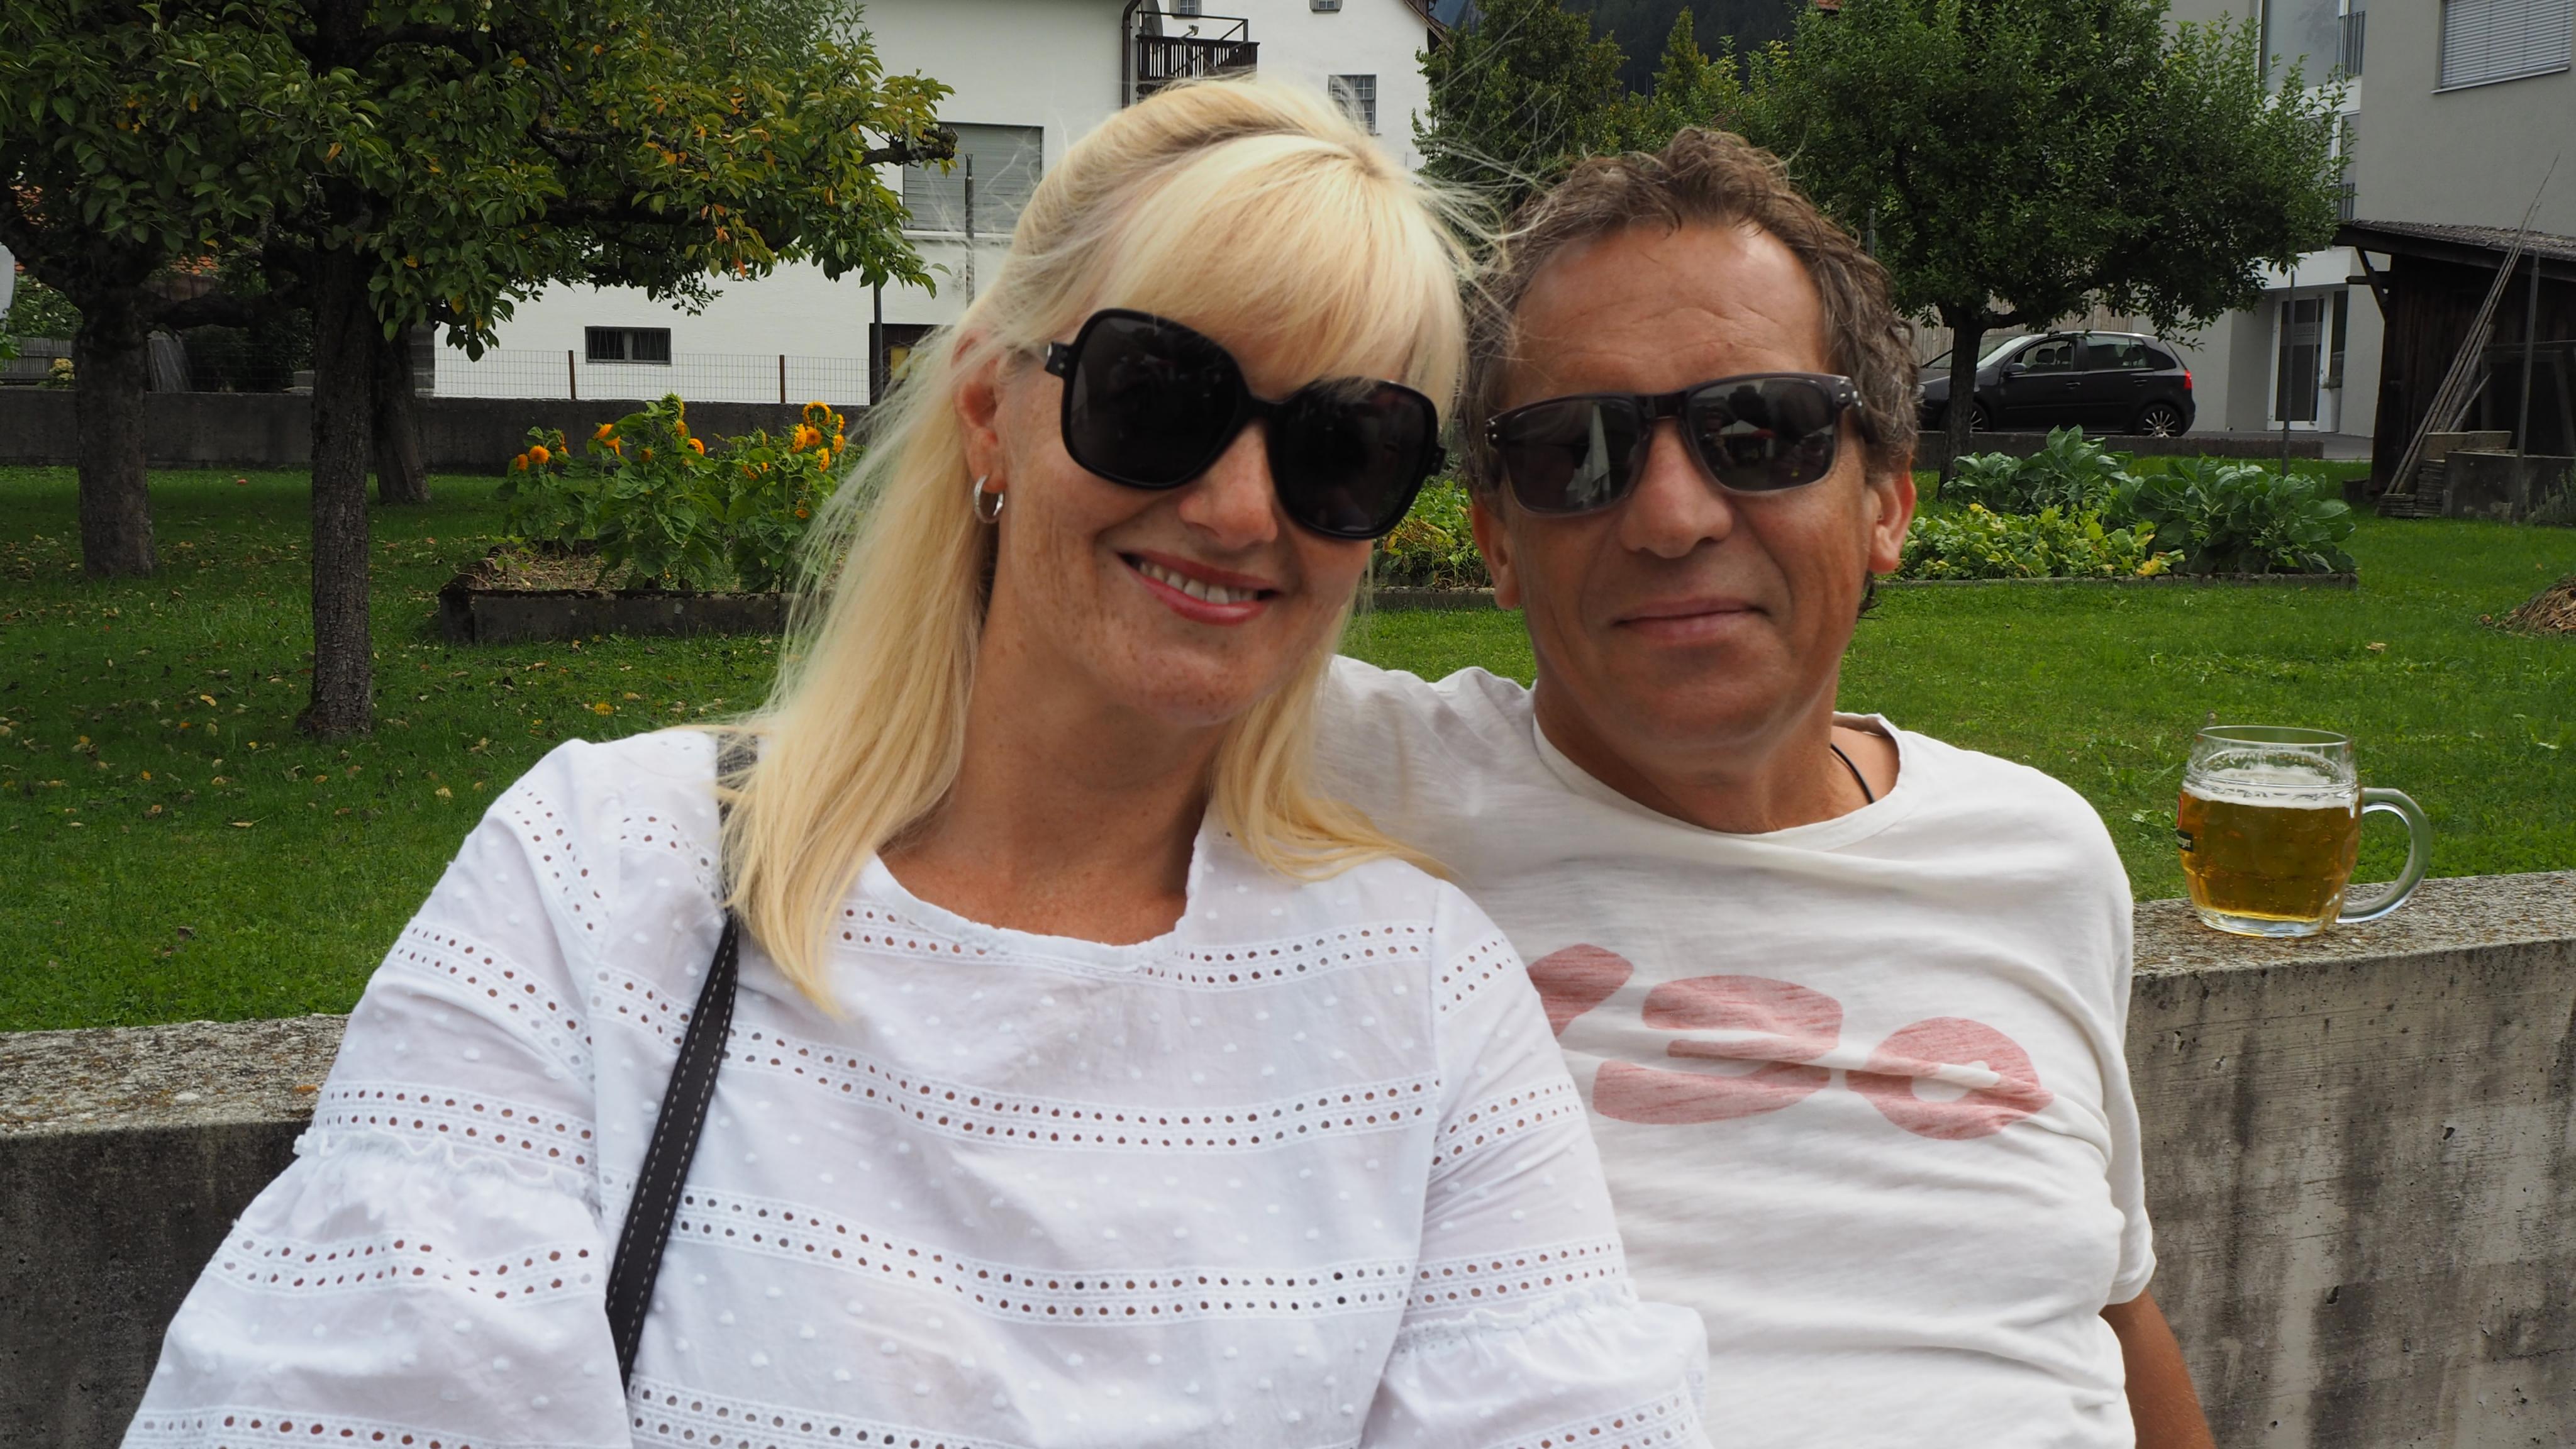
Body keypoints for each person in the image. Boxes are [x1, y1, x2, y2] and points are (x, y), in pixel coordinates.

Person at [125, 82, 1709, 1448]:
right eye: (1159, 397)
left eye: (1340, 447)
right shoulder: (606, 879)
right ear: (986, 413)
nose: (1240, 508)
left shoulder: (1418, 1000)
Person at [1317, 130, 2216, 1448]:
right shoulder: (1354, 783)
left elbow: (2110, 1306)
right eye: (1577, 451)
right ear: (1497, 543)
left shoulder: (2043, 858)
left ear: (1886, 504)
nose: (1671, 516)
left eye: (1760, 430)